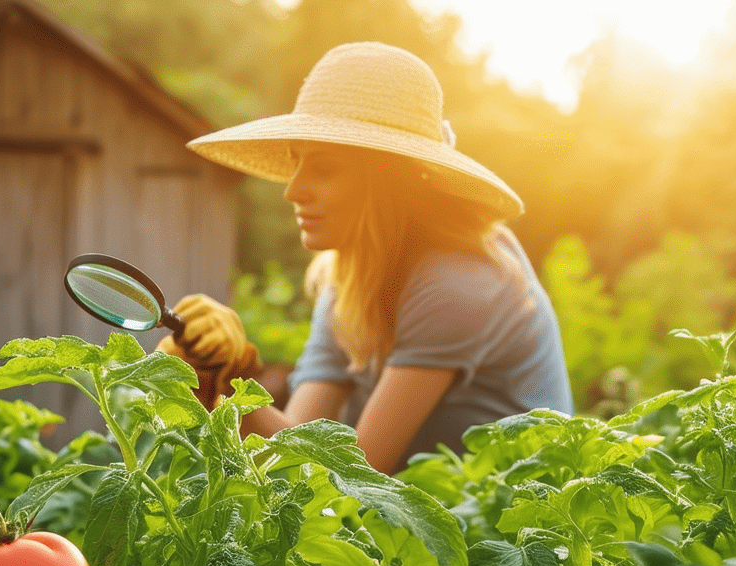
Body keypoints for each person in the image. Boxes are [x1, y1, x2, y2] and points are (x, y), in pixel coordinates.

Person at [156, 41, 573, 474]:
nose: (293, 190)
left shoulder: (458, 280)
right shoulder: (347, 277)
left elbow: (357, 475)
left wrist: (231, 386)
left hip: (523, 527)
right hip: (432, 520)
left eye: (325, 168)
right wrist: (215, 381)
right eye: (297, 163)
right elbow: (295, 450)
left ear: (389, 178)